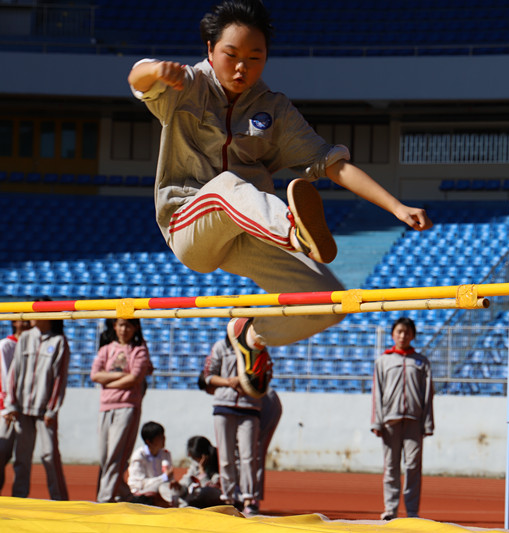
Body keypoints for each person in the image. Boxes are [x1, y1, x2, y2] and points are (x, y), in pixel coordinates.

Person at [126, 0, 432, 398]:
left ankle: (250, 336)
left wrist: (396, 207)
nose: (242, 68)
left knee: (327, 301)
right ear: (210, 50)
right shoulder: (188, 85)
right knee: (227, 186)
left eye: (255, 58)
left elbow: (333, 165)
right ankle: (293, 230)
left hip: (248, 231)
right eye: (232, 55)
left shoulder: (275, 110)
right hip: (190, 224)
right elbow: (137, 78)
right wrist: (155, 70)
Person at [3, 308, 70, 500]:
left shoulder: (58, 341)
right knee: (22, 457)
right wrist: (11, 403)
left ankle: (59, 500)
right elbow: (14, 371)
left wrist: (52, 409)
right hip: (22, 408)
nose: (31, 318)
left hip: (44, 411)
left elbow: (59, 378)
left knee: (49, 455)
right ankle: (19, 497)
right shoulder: (25, 338)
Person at [371, 317, 434, 520]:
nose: (403, 336)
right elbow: (377, 393)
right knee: (391, 466)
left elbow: (428, 394)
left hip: (414, 421)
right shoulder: (383, 361)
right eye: (399, 332)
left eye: (407, 332)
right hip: (390, 421)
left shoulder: (421, 362)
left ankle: (412, 511)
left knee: (413, 467)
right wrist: (377, 421)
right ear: (392, 335)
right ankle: (390, 509)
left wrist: (428, 423)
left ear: (413, 335)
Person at [90, 318, 154, 503]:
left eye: (128, 325)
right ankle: (125, 494)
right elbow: (95, 375)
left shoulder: (139, 351)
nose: (124, 329)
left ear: (135, 328)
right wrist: (120, 377)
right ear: (114, 326)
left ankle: (104, 499)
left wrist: (108, 382)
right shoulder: (106, 350)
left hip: (127, 406)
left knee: (116, 455)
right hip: (106, 406)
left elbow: (134, 378)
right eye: (120, 325)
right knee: (105, 456)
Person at [203, 336, 266, 516]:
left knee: (248, 456)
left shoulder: (258, 346)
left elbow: (264, 374)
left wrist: (246, 383)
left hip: (250, 406)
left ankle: (249, 499)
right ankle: (228, 498)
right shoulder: (220, 346)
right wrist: (230, 382)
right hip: (224, 405)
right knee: (225, 455)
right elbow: (208, 375)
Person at [0, 320, 31, 492]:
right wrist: (6, 406)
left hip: (27, 408)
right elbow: (3, 376)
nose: (25, 323)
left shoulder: (32, 344)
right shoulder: (6, 345)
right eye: (21, 319)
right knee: (2, 452)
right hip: (7, 409)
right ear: (14, 322)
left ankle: (20, 495)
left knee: (23, 457)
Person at [127, 421, 181, 507]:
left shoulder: (166, 454)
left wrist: (172, 482)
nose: (164, 439)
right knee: (160, 490)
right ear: (149, 441)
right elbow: (139, 484)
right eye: (160, 437)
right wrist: (163, 478)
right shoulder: (138, 457)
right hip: (141, 493)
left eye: (163, 436)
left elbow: (169, 478)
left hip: (161, 488)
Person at [253, 388, 282, 510]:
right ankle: (248, 496)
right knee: (254, 452)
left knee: (256, 451)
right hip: (258, 400)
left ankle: (251, 498)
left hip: (260, 400)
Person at [178, 435, 225, 508]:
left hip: (216, 498)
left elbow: (212, 488)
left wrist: (202, 472)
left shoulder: (219, 463)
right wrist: (179, 486)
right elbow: (187, 478)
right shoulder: (196, 464)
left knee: (202, 492)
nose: (194, 461)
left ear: (204, 456)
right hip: (199, 498)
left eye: (195, 457)